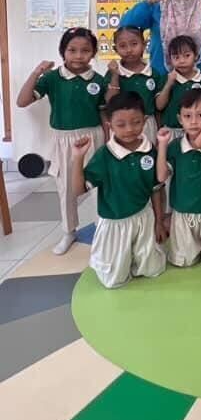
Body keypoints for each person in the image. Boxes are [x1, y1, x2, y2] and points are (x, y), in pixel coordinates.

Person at [17, 27, 107, 256]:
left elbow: (105, 115)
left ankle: (102, 228)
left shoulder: (98, 80)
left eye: (85, 50)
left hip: (93, 135)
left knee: (100, 185)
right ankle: (69, 231)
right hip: (64, 139)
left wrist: (107, 141)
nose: (78, 55)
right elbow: (22, 101)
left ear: (93, 53)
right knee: (66, 187)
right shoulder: (52, 78)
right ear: (62, 52)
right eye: (72, 50)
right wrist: (37, 71)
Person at [72, 93, 166, 289]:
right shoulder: (104, 155)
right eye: (121, 124)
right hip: (115, 222)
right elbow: (78, 190)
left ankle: (140, 257)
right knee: (114, 280)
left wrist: (159, 221)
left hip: (143, 216)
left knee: (153, 270)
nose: (129, 129)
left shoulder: (150, 151)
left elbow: (156, 189)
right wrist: (78, 157)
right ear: (109, 125)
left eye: (135, 122)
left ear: (145, 121)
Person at [156, 90, 201, 267]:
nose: (194, 121)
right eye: (188, 116)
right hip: (183, 214)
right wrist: (162, 145)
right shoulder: (174, 146)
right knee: (183, 262)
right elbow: (161, 176)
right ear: (180, 119)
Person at [104, 26, 164, 145]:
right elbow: (110, 101)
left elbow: (158, 109)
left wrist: (159, 131)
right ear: (115, 49)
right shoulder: (112, 73)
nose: (129, 50)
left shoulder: (153, 73)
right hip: (122, 126)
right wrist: (115, 76)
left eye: (134, 44)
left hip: (147, 124)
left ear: (144, 44)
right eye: (123, 46)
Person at [156, 35, 201, 139]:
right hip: (172, 131)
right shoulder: (166, 79)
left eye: (187, 55)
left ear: (196, 56)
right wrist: (169, 84)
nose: (182, 61)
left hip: (198, 132)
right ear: (170, 59)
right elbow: (159, 106)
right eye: (176, 57)